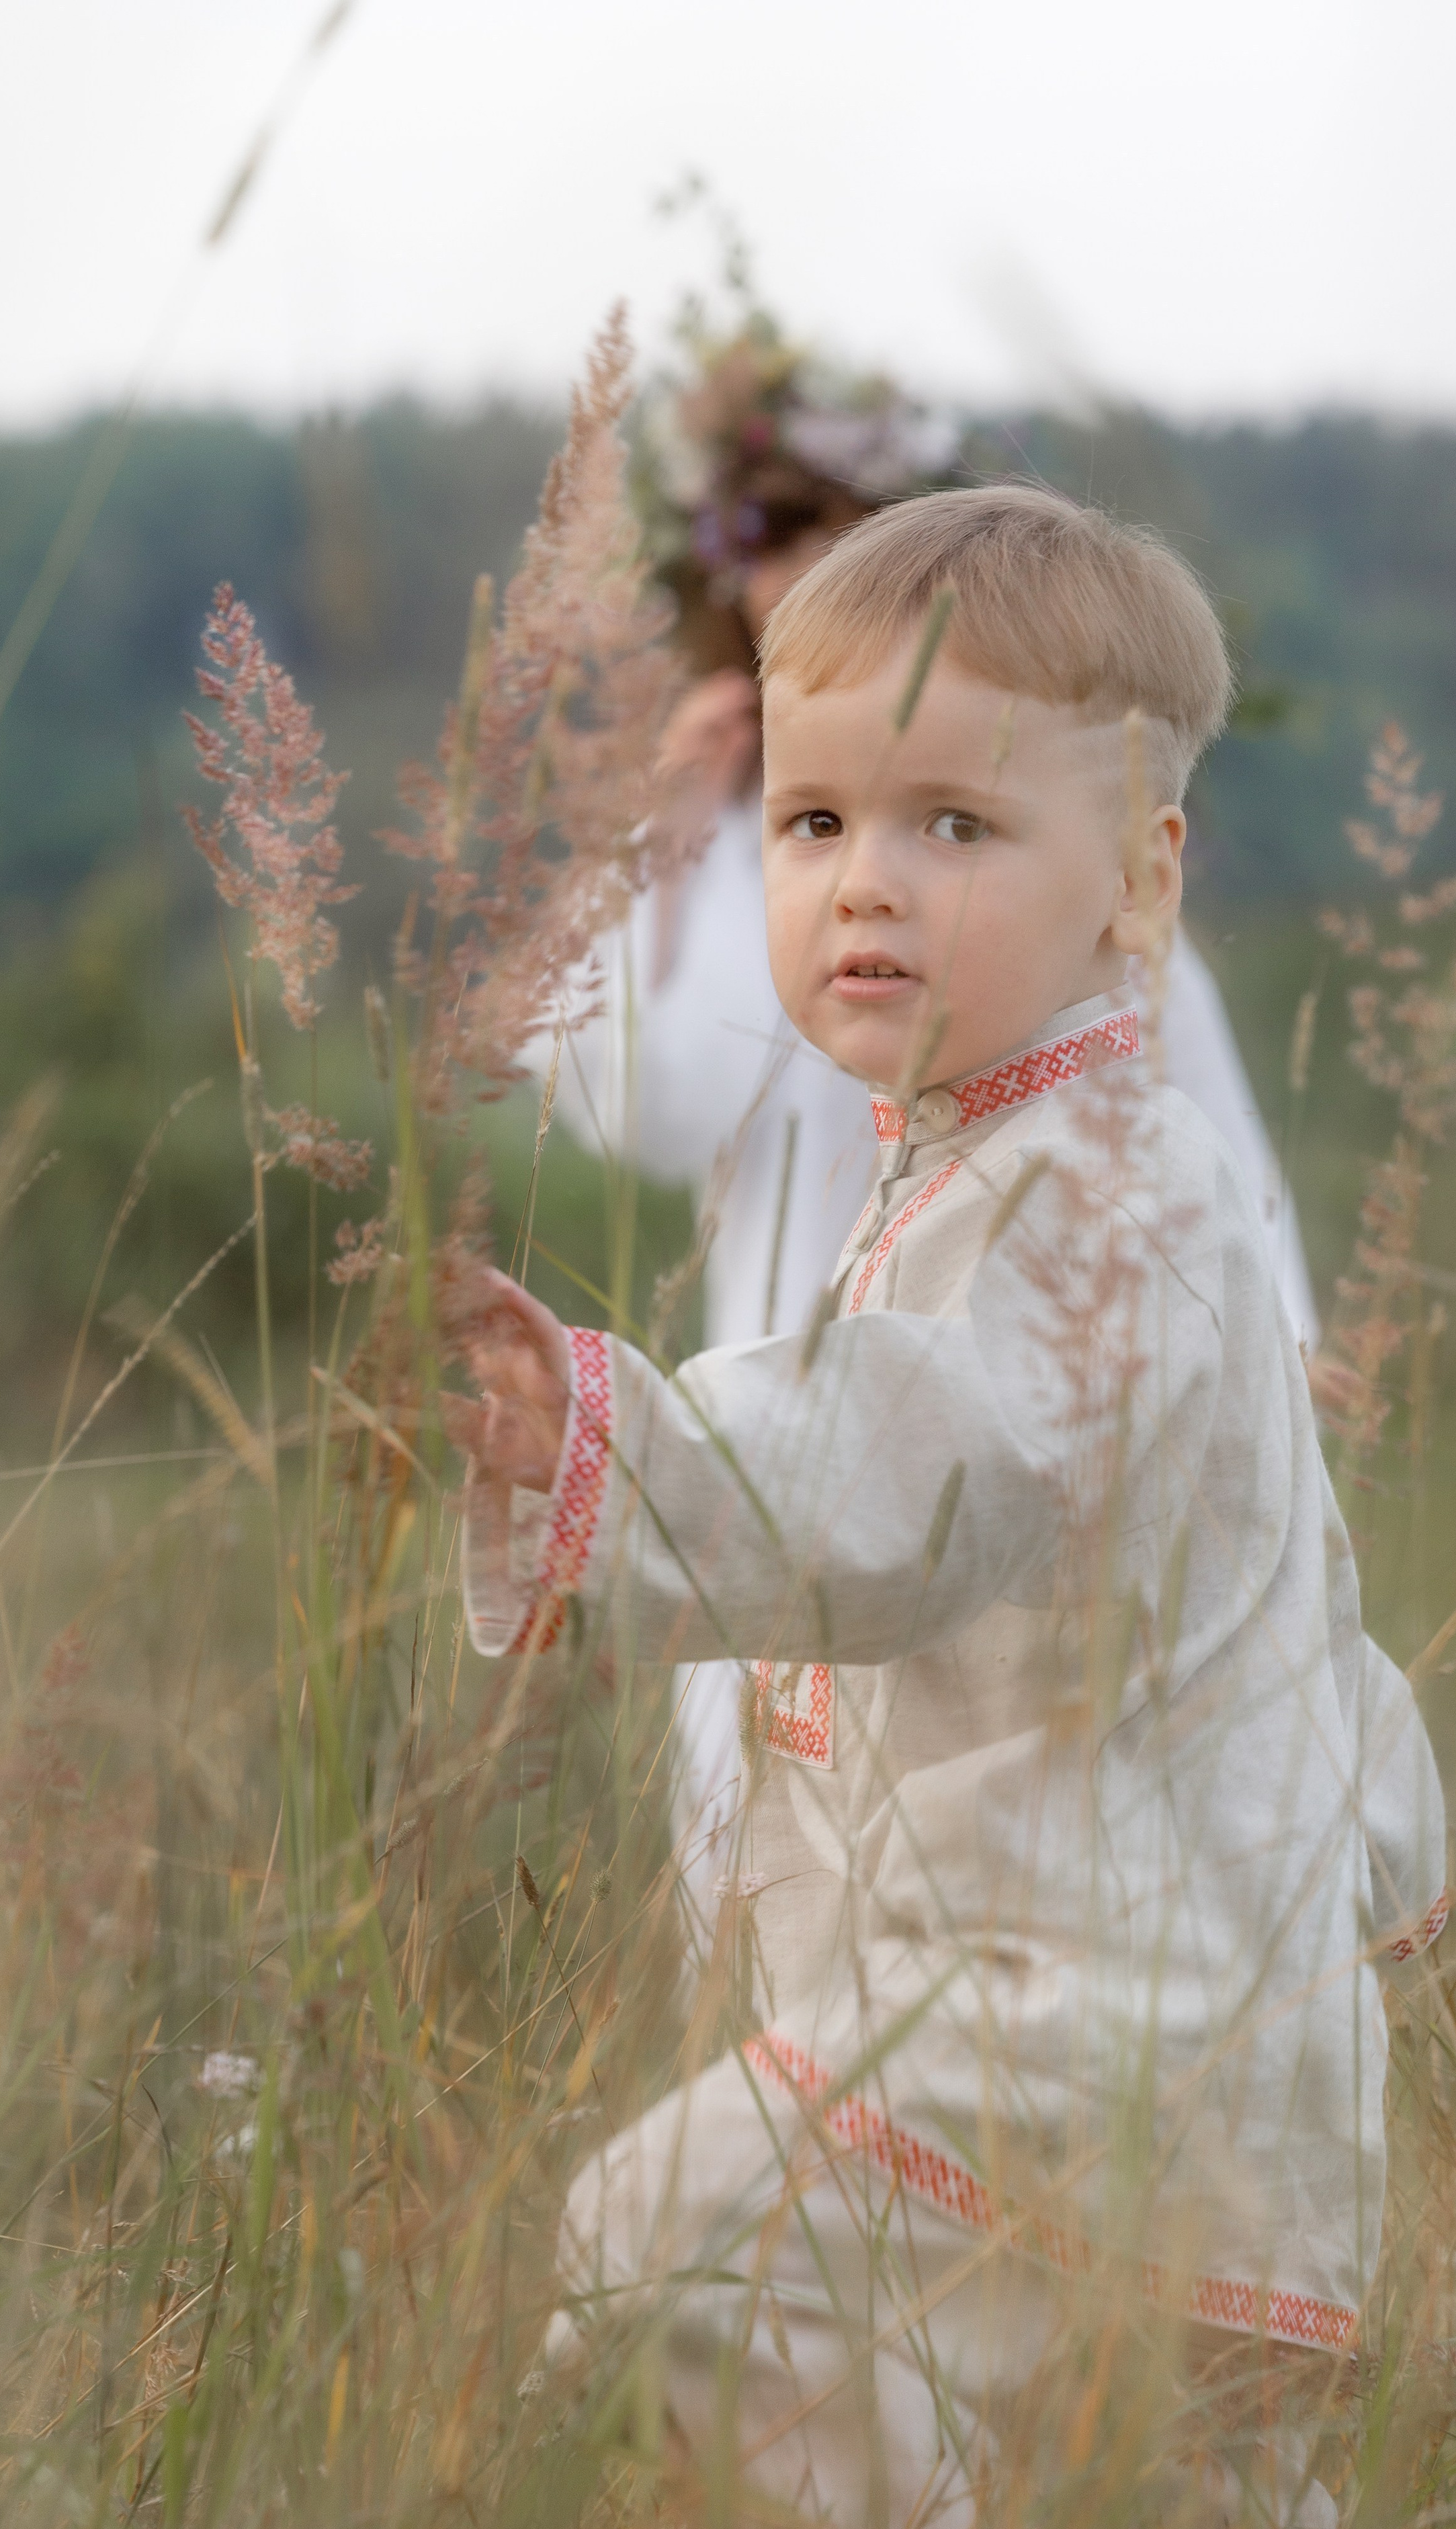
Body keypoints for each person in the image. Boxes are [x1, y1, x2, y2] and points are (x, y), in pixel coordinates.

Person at [458, 486, 1445, 2529]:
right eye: (814, 828)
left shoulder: (1100, 1193)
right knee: (1174, 2512)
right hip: (1195, 2038)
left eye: (955, 828)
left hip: (1092, 2009)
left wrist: (602, 1447)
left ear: (1140, 884)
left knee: (671, 2241)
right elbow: (1308, 1623)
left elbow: (926, 1452)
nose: (866, 886)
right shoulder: (1026, 1159)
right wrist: (1370, 1876)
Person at [543, 329, 1320, 1924]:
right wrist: (660, 835)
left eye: (838, 521)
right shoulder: (753, 862)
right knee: (780, 1827)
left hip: (1042, 1373)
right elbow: (642, 1099)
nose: (868, 870)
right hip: (792, 1356)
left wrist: (1276, 1339)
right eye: (768, 531)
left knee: (1001, 1795)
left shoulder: (1049, 867)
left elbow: (1194, 1119)